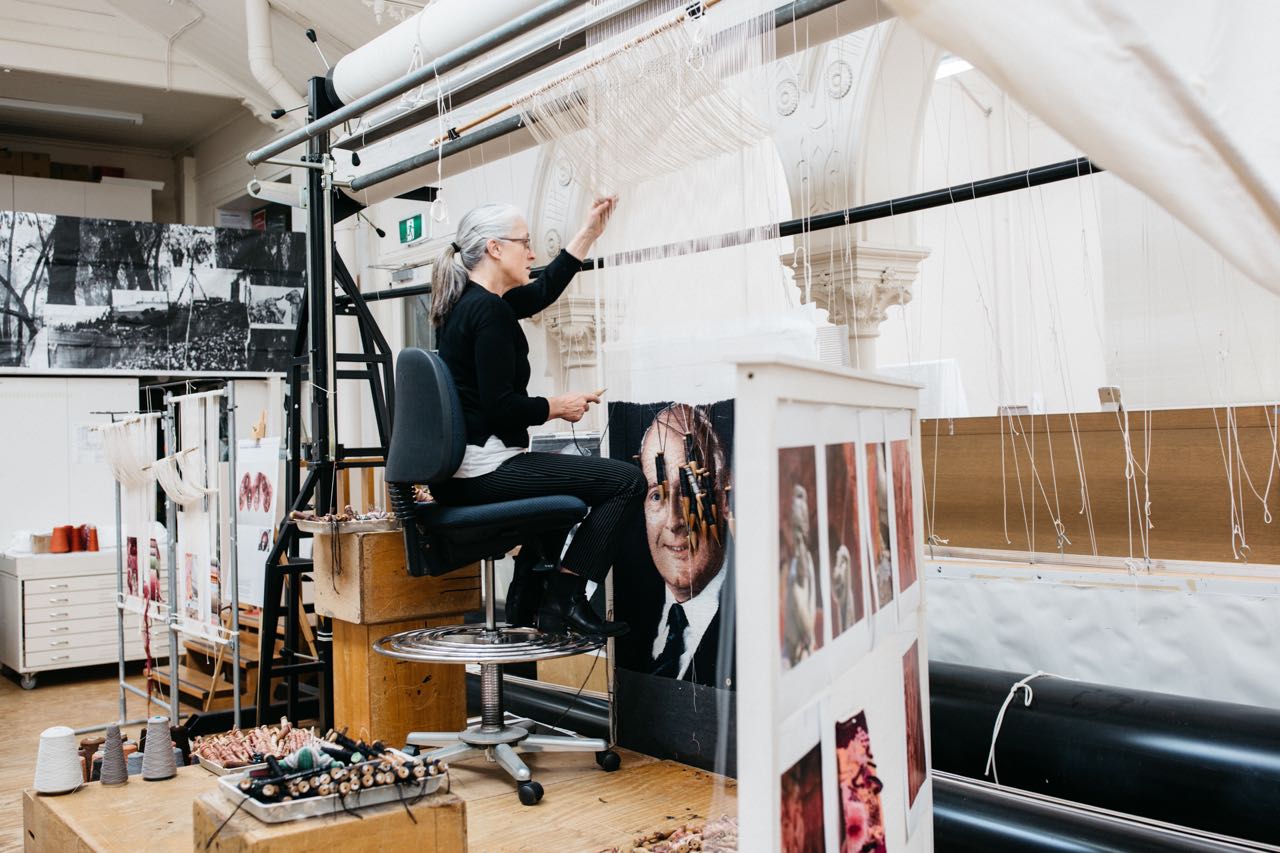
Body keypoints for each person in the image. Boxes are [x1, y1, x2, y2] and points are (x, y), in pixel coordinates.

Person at [429, 198, 643, 637]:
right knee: (627, 482)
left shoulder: (470, 304)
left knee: (567, 497)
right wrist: (556, 406)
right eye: (524, 244)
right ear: (494, 248)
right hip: (483, 471)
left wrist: (588, 233)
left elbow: (542, 292)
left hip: (466, 470)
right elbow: (500, 406)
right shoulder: (487, 312)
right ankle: (565, 598)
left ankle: (530, 600)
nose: (531, 253)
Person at [637, 403, 731, 684]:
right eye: (656, 496)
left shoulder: (757, 616)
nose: (674, 521)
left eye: (692, 491)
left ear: (724, 498)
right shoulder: (630, 610)